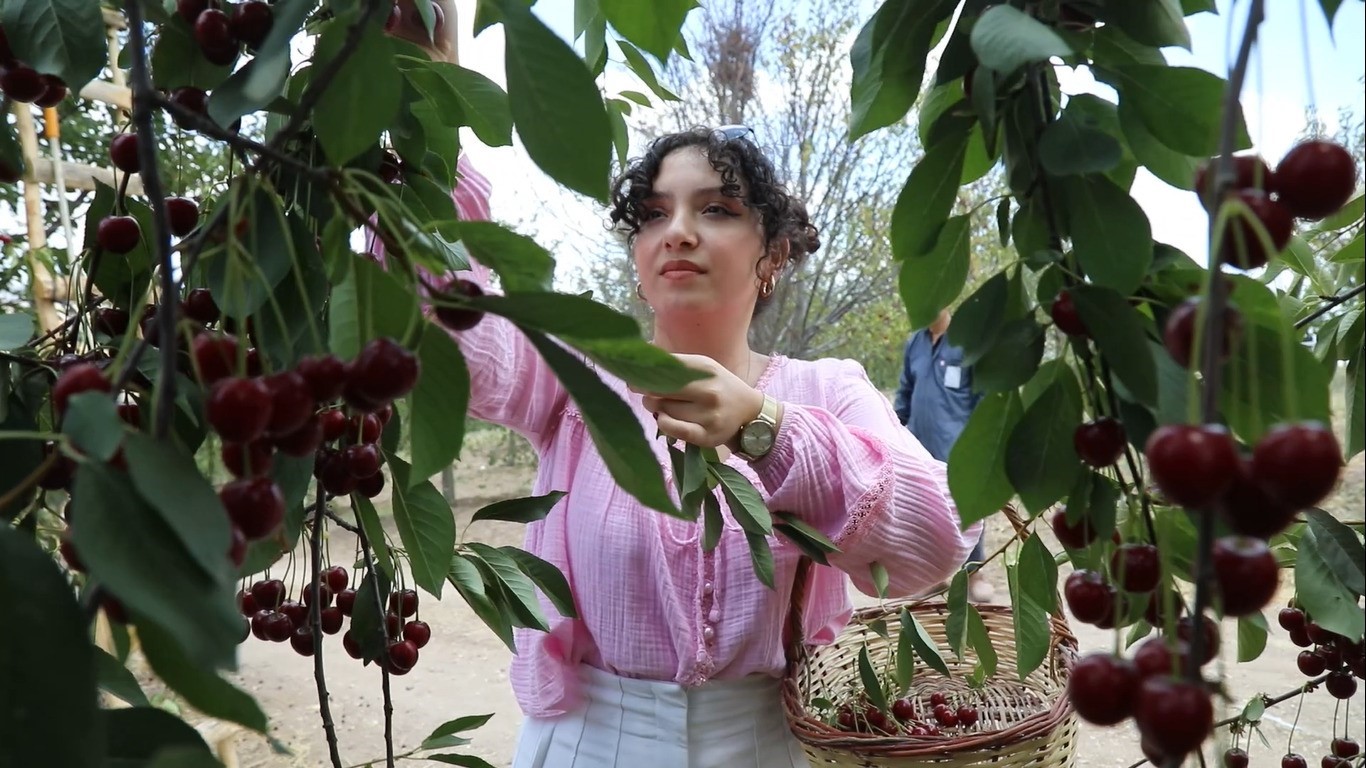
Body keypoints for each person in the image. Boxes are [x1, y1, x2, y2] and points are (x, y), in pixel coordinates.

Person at [892, 309, 991, 602]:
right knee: (924, 508)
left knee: (967, 508)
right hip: (920, 447)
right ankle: (932, 577)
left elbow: (983, 398)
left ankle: (975, 574)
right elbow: (905, 391)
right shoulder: (915, 343)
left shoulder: (968, 342)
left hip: (958, 446)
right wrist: (894, 427)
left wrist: (981, 444)